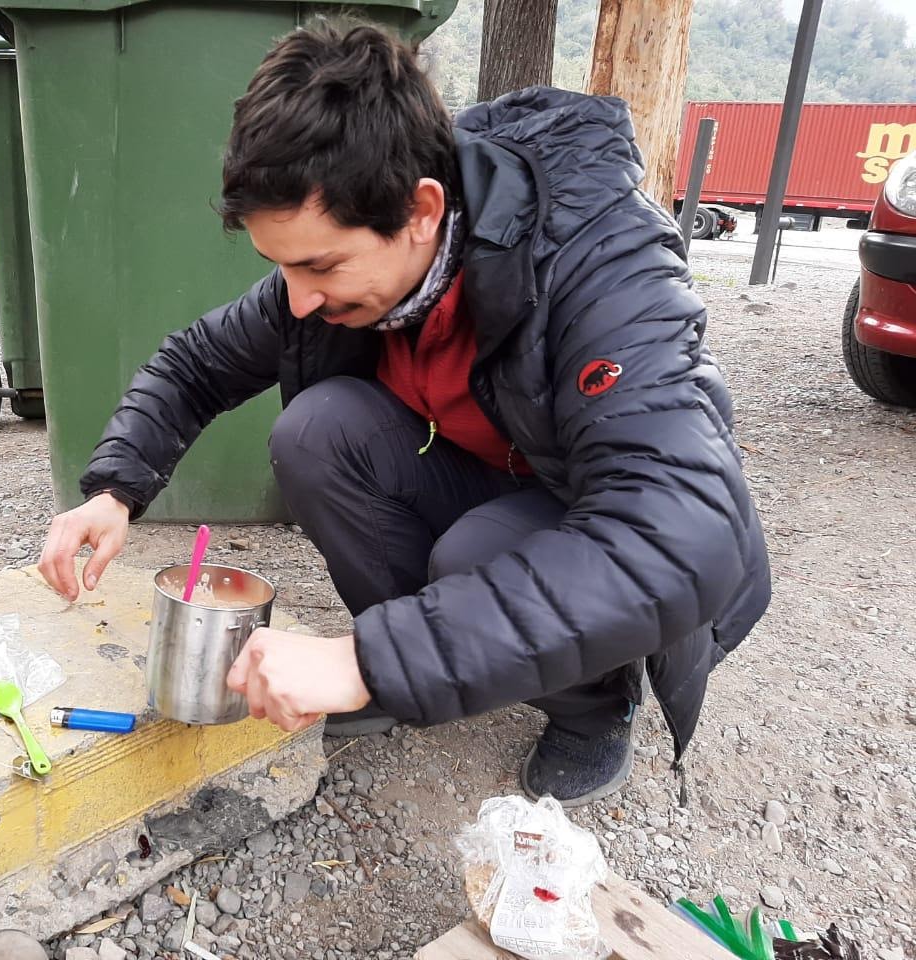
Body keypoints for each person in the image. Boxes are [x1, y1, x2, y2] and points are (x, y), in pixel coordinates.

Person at [38, 21, 771, 808]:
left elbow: (684, 535)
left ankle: (594, 710)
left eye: (319, 264)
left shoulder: (599, 262)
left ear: (422, 210)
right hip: (491, 476)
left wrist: (359, 659)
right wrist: (114, 490)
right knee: (317, 432)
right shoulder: (335, 268)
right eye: (279, 266)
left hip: (585, 509)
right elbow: (197, 361)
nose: (298, 298)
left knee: (474, 552)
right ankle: (404, 664)